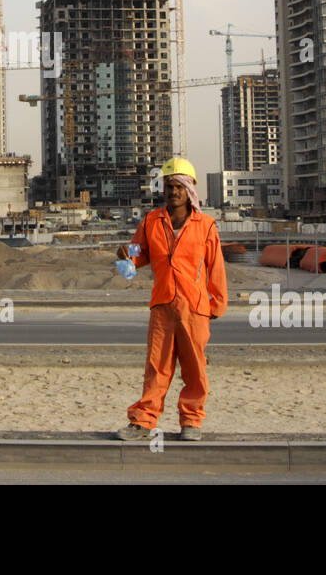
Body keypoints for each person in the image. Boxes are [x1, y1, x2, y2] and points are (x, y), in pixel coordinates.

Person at [115, 157, 226, 442]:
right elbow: (135, 262)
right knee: (156, 368)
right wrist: (125, 258)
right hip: (163, 306)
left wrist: (216, 305)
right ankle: (143, 421)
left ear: (189, 189)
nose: (172, 191)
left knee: (195, 369)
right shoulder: (151, 221)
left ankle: (191, 422)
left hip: (195, 308)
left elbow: (216, 267)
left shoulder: (206, 225)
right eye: (168, 186)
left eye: (178, 186)